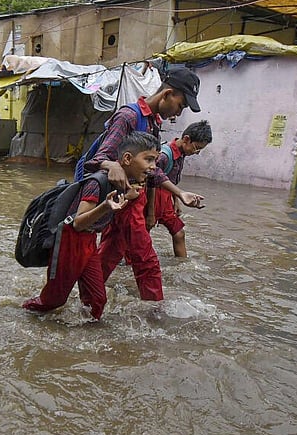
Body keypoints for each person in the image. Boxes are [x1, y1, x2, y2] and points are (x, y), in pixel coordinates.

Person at [79, 67, 207, 303]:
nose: (179, 112)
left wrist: (180, 194)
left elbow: (154, 171)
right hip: (122, 200)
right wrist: (111, 165)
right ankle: (155, 310)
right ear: (168, 94)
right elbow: (97, 159)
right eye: (180, 105)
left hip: (130, 201)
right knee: (146, 261)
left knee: (109, 255)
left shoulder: (152, 124)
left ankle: (87, 300)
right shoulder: (128, 116)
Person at [23, 131, 159, 319]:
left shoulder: (123, 184)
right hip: (70, 242)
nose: (153, 167)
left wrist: (126, 198)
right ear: (127, 159)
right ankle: (23, 312)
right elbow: (78, 223)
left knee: (97, 300)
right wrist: (105, 207)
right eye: (149, 160)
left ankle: (86, 334)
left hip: (88, 241)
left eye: (155, 161)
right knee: (54, 300)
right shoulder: (97, 182)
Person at [145, 120, 213, 258]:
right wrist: (150, 213)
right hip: (152, 198)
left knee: (179, 232)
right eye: (196, 148)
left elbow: (172, 180)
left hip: (167, 198)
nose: (197, 153)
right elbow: (151, 181)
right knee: (143, 235)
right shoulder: (164, 156)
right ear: (186, 139)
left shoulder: (181, 154)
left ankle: (182, 265)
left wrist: (176, 201)